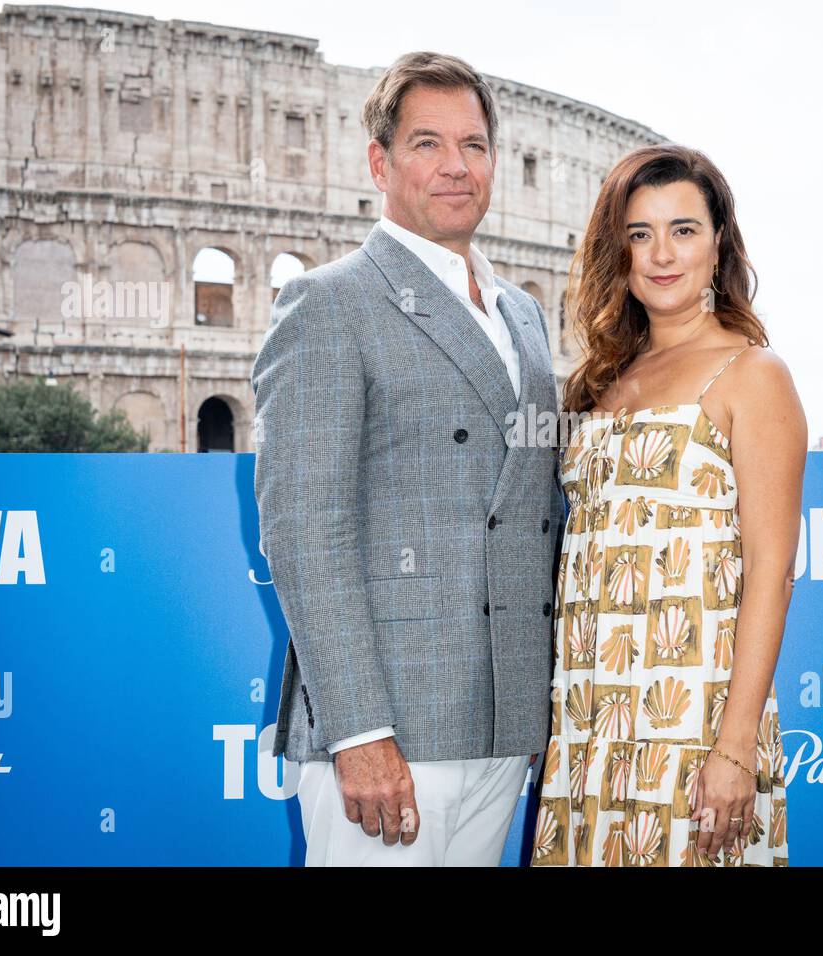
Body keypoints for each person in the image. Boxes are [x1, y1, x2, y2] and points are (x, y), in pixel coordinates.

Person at [252, 51, 566, 866]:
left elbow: (533, 518)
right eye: (428, 144)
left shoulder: (525, 316)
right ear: (380, 163)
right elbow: (303, 531)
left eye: (475, 144)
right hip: (389, 730)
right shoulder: (330, 302)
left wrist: (530, 708)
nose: (457, 166)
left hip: (500, 725)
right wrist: (358, 728)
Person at [530, 144, 807, 866]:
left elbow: (771, 572)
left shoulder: (754, 374)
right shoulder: (596, 384)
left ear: (719, 245)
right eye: (638, 234)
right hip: (592, 718)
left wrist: (736, 747)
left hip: (694, 720)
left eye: (683, 230)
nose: (661, 254)